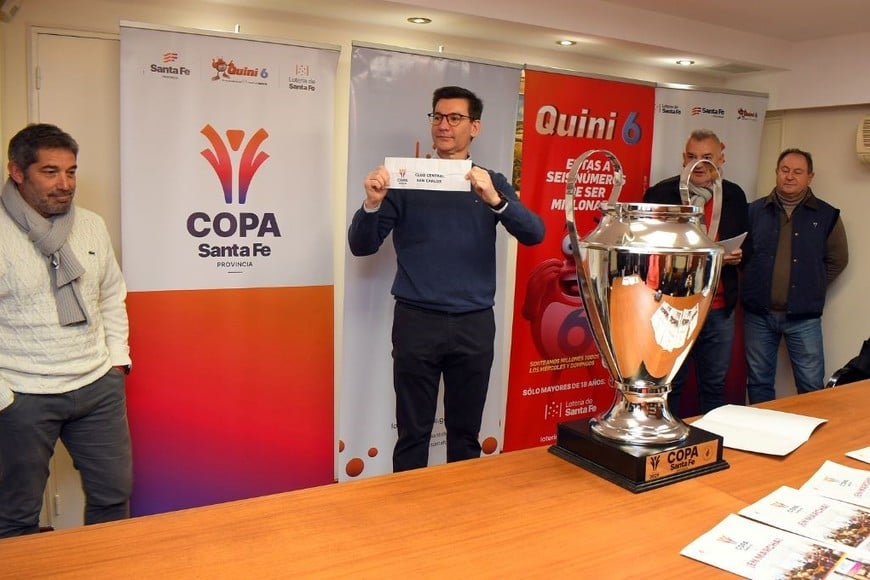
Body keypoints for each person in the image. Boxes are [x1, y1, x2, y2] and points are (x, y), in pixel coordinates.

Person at [348, 86, 545, 472]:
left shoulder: (490, 182)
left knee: (465, 435)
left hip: (474, 323)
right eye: (438, 117)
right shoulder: (405, 181)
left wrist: (496, 200)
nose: (443, 125)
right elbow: (362, 246)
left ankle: (462, 507)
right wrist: (371, 203)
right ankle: (409, 507)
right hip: (417, 322)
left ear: (475, 127)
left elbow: (534, 234)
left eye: (455, 118)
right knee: (412, 434)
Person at [0, 123, 133, 537]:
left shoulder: (91, 224)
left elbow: (110, 295)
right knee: (15, 514)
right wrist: (4, 395)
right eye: (50, 172)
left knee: (114, 495)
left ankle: (106, 565)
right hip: (22, 392)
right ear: (17, 172)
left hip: (97, 385)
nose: (65, 184)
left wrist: (116, 362)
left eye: (71, 171)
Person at [643, 129, 750, 416]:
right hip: (673, 307)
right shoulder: (660, 194)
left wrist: (736, 256)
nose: (699, 164)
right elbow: (645, 250)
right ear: (683, 158)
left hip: (718, 307)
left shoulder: (734, 195)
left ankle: (711, 439)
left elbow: (748, 245)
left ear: (721, 158)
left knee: (714, 384)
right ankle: (669, 439)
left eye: (707, 157)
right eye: (692, 157)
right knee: (670, 384)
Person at [742, 148, 848, 403]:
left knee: (811, 385)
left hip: (804, 318)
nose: (790, 177)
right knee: (758, 381)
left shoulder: (827, 215)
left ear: (810, 177)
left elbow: (838, 259)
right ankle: (762, 428)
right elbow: (742, 256)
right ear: (776, 172)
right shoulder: (753, 211)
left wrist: (811, 285)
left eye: (798, 172)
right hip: (758, 315)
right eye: (785, 170)